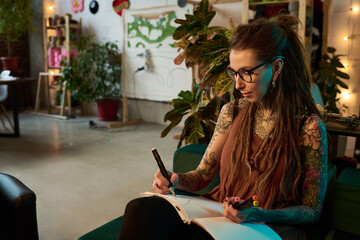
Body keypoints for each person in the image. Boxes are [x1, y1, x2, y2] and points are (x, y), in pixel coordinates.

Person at [119, 14, 328, 240]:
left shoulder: (309, 128)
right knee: (141, 208)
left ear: (276, 68)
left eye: (247, 73)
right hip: (218, 215)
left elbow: (311, 211)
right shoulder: (232, 111)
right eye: (234, 73)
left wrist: (262, 213)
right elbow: (202, 175)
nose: (237, 84)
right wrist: (175, 178)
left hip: (267, 226)